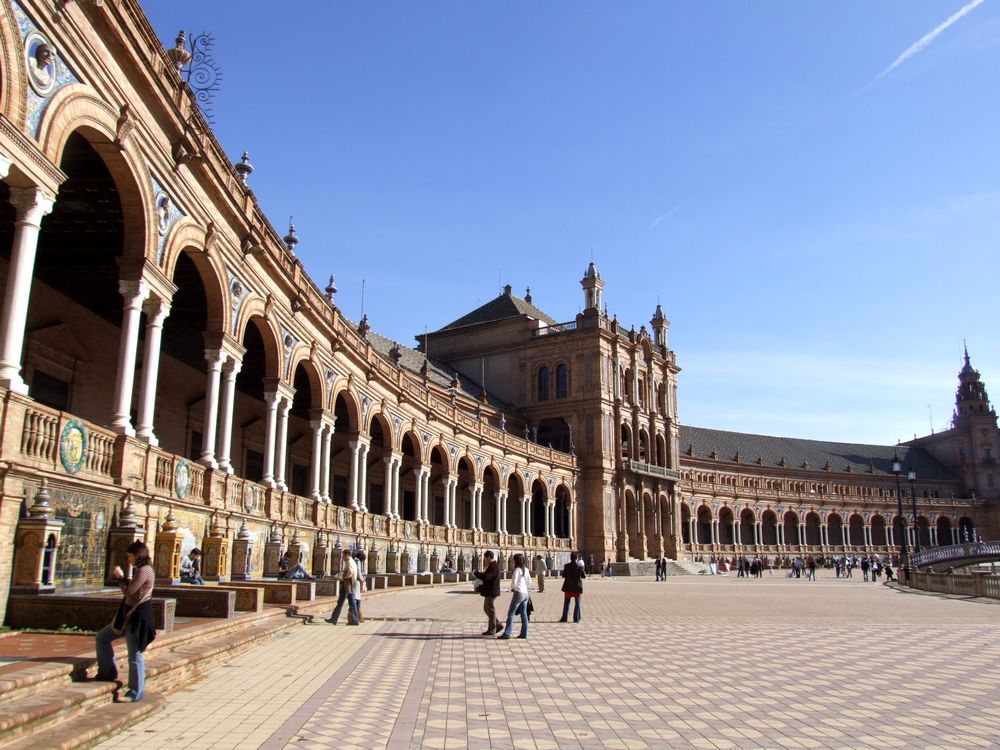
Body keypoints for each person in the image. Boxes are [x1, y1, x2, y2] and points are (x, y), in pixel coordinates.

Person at [94, 541, 156, 702]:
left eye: (130, 556)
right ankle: (107, 671)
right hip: (128, 616)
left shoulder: (144, 571)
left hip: (137, 617)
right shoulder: (142, 570)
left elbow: (129, 592)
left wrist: (120, 577)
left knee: (135, 655)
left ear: (138, 555)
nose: (129, 559)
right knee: (102, 638)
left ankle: (135, 692)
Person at [499, 553, 530, 640]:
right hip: (526, 593)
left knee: (511, 613)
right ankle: (524, 633)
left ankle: (507, 633)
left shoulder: (517, 570)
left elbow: (514, 582)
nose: (512, 560)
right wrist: (524, 585)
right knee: (524, 613)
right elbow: (529, 581)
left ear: (516, 560)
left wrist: (512, 588)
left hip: (519, 593)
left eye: (513, 559)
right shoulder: (526, 569)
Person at [326, 549, 359, 626]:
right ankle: (335, 619)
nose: (342, 557)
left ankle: (335, 619)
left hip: (348, 583)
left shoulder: (350, 562)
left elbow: (350, 572)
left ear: (347, 555)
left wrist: (344, 577)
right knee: (348, 602)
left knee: (345, 602)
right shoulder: (351, 561)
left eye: (343, 555)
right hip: (349, 583)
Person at [474, 550, 502, 635]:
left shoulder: (493, 566)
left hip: (492, 591)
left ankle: (492, 629)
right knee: (487, 609)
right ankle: (497, 624)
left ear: (489, 558)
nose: (485, 560)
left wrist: (476, 573)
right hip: (489, 591)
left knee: (490, 609)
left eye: (485, 558)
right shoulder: (492, 566)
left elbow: (486, 577)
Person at [558, 551, 586, 623]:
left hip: (568, 586)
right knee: (577, 603)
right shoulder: (580, 567)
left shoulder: (566, 566)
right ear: (576, 558)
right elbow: (584, 576)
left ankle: (564, 618)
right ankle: (576, 618)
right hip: (577, 587)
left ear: (570, 558)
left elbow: (563, 575)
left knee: (566, 603)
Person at [353, 550, 367, 624]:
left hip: (355, 582)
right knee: (356, 600)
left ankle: (357, 617)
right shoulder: (357, 561)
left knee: (355, 600)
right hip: (356, 582)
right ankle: (358, 617)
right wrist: (362, 580)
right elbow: (358, 572)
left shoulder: (354, 560)